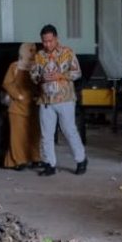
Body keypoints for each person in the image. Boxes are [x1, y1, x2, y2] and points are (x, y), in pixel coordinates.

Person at [31, 24, 87, 176]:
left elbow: (77, 73)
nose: (47, 44)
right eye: (44, 41)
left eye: (50, 41)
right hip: (46, 101)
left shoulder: (67, 52)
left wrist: (60, 76)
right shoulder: (39, 56)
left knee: (69, 130)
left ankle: (81, 159)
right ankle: (50, 164)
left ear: (56, 39)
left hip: (65, 99)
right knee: (46, 134)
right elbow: (33, 75)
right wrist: (40, 77)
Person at [2, 43, 41, 170]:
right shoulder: (14, 66)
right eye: (30, 50)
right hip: (17, 107)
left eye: (34, 50)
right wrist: (18, 96)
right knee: (18, 136)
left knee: (34, 135)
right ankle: (19, 161)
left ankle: (35, 158)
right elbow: (7, 83)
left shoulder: (37, 67)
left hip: (33, 107)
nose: (32, 52)